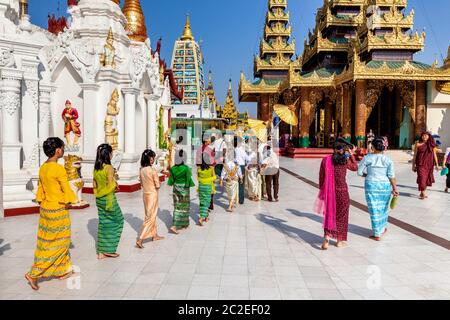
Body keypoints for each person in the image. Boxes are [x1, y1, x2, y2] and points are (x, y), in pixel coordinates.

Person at [25, 138, 77, 291]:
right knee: (60, 242)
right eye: (62, 148)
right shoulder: (58, 169)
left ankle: (62, 270)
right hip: (58, 208)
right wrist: (70, 201)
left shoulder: (43, 167)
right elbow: (65, 188)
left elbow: (41, 188)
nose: (63, 150)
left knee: (48, 240)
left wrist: (41, 200)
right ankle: (34, 273)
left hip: (46, 207)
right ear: (58, 151)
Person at [315, 138, 358, 250]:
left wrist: (322, 192)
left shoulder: (325, 160)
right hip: (342, 192)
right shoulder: (345, 160)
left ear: (333, 149)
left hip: (330, 192)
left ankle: (327, 238)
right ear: (344, 150)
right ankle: (339, 240)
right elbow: (355, 167)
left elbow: (321, 178)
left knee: (330, 215)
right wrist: (352, 155)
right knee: (342, 217)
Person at [358, 137, 399, 241]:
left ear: (373, 147)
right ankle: (382, 228)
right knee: (383, 208)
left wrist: (368, 175)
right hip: (385, 186)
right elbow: (391, 176)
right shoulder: (388, 160)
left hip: (371, 185)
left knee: (374, 209)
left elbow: (359, 172)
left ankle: (377, 233)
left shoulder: (367, 158)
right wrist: (395, 188)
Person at [93, 144, 124, 259]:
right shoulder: (109, 168)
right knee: (118, 221)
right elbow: (111, 185)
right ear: (108, 154)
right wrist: (115, 185)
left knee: (104, 223)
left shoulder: (96, 168)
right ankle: (109, 250)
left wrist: (98, 194)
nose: (112, 155)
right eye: (111, 153)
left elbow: (94, 185)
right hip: (108, 199)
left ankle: (101, 252)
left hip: (99, 199)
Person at [136, 149, 164, 249]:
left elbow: (141, 183)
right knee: (150, 217)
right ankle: (140, 239)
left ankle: (154, 235)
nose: (152, 159)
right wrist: (158, 185)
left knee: (151, 215)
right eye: (151, 157)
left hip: (145, 195)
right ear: (148, 158)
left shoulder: (141, 170)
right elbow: (157, 185)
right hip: (152, 195)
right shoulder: (152, 170)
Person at [168, 149, 195, 234]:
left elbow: (171, 180)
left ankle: (184, 223)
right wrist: (186, 187)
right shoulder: (186, 168)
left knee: (177, 206)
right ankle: (175, 225)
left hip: (176, 188)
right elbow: (188, 180)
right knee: (184, 206)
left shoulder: (172, 168)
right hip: (184, 188)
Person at [412, 132, 441, 199]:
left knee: (427, 178)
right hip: (420, 164)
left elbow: (434, 155)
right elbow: (415, 155)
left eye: (425, 135)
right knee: (422, 178)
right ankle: (423, 192)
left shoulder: (431, 145)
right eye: (423, 135)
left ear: (428, 136)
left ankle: (423, 192)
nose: (424, 137)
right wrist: (413, 165)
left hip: (429, 164)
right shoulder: (418, 144)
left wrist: (437, 165)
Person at [197, 153, 216, 226]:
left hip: (201, 186)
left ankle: (206, 217)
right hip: (208, 186)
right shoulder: (211, 168)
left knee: (202, 202)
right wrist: (208, 180)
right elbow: (214, 178)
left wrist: (203, 180)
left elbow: (198, 179)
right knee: (207, 203)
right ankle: (201, 217)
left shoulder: (198, 168)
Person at [235, 136, 251, 205]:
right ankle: (241, 200)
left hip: (234, 167)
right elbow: (248, 159)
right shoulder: (241, 150)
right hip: (241, 167)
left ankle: (235, 198)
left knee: (235, 183)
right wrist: (253, 154)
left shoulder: (233, 149)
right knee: (241, 184)